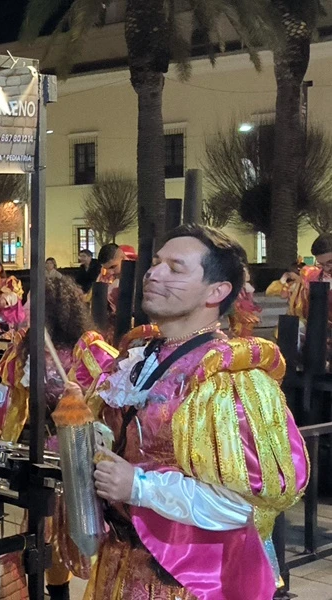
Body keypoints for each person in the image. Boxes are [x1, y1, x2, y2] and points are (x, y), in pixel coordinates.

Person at [85, 225, 308, 600]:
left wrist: (140, 487)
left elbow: (243, 507)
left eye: (176, 267)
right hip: (116, 568)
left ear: (217, 291)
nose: (153, 273)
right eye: (155, 264)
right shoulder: (136, 356)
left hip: (186, 584)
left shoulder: (230, 377)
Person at [0, 277, 117, 600]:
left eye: (35, 302)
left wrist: (83, 398)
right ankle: (55, 594)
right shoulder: (27, 346)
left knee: (83, 533)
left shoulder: (86, 345)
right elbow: (15, 400)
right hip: (41, 447)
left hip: (77, 449)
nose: (28, 308)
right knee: (44, 533)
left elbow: (116, 387)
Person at [229, 265, 262, 338]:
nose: (248, 275)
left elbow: (251, 303)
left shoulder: (247, 288)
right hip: (241, 320)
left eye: (248, 273)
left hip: (248, 318)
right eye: (246, 273)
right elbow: (238, 307)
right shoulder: (237, 290)